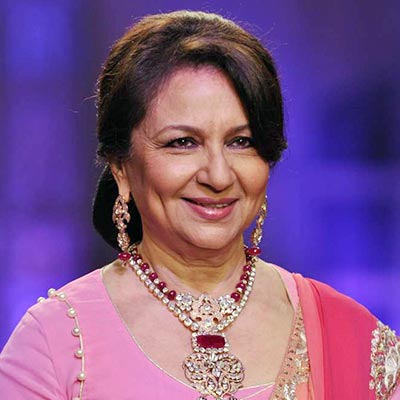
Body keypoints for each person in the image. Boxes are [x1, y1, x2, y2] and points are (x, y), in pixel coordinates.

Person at [0, 10, 399, 400]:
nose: (218, 176)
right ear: (121, 167)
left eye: (241, 142)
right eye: (183, 142)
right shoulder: (55, 344)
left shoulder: (355, 340)